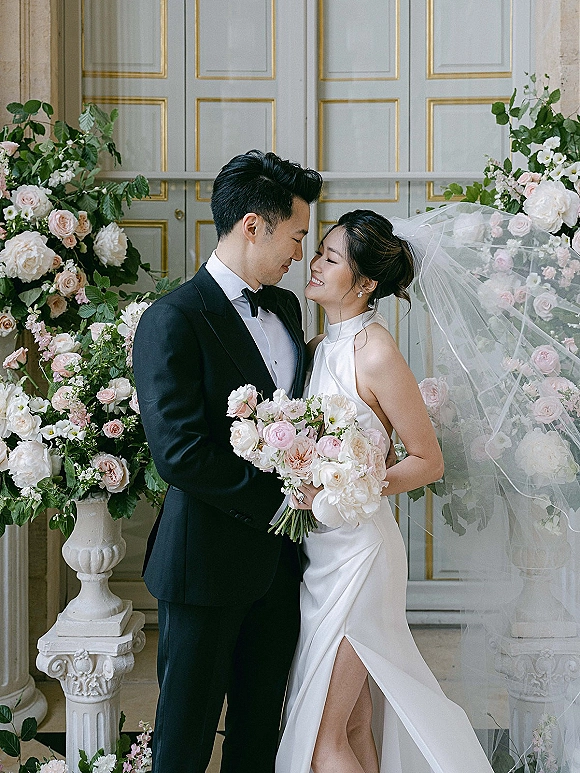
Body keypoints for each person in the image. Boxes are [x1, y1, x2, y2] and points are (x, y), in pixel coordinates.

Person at [275, 210, 495, 773]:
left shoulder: (376, 352)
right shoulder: (324, 347)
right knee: (351, 724)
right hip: (320, 554)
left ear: (366, 282)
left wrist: (352, 488)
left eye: (331, 257)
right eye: (317, 252)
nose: (315, 265)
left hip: (361, 559)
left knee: (323, 742)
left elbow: (428, 461)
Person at [132, 149, 322, 773]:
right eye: (295, 236)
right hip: (204, 566)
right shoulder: (174, 318)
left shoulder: (288, 310)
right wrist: (284, 504)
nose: (300, 253)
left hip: (279, 570)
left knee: (258, 734)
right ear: (252, 225)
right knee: (182, 742)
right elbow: (179, 452)